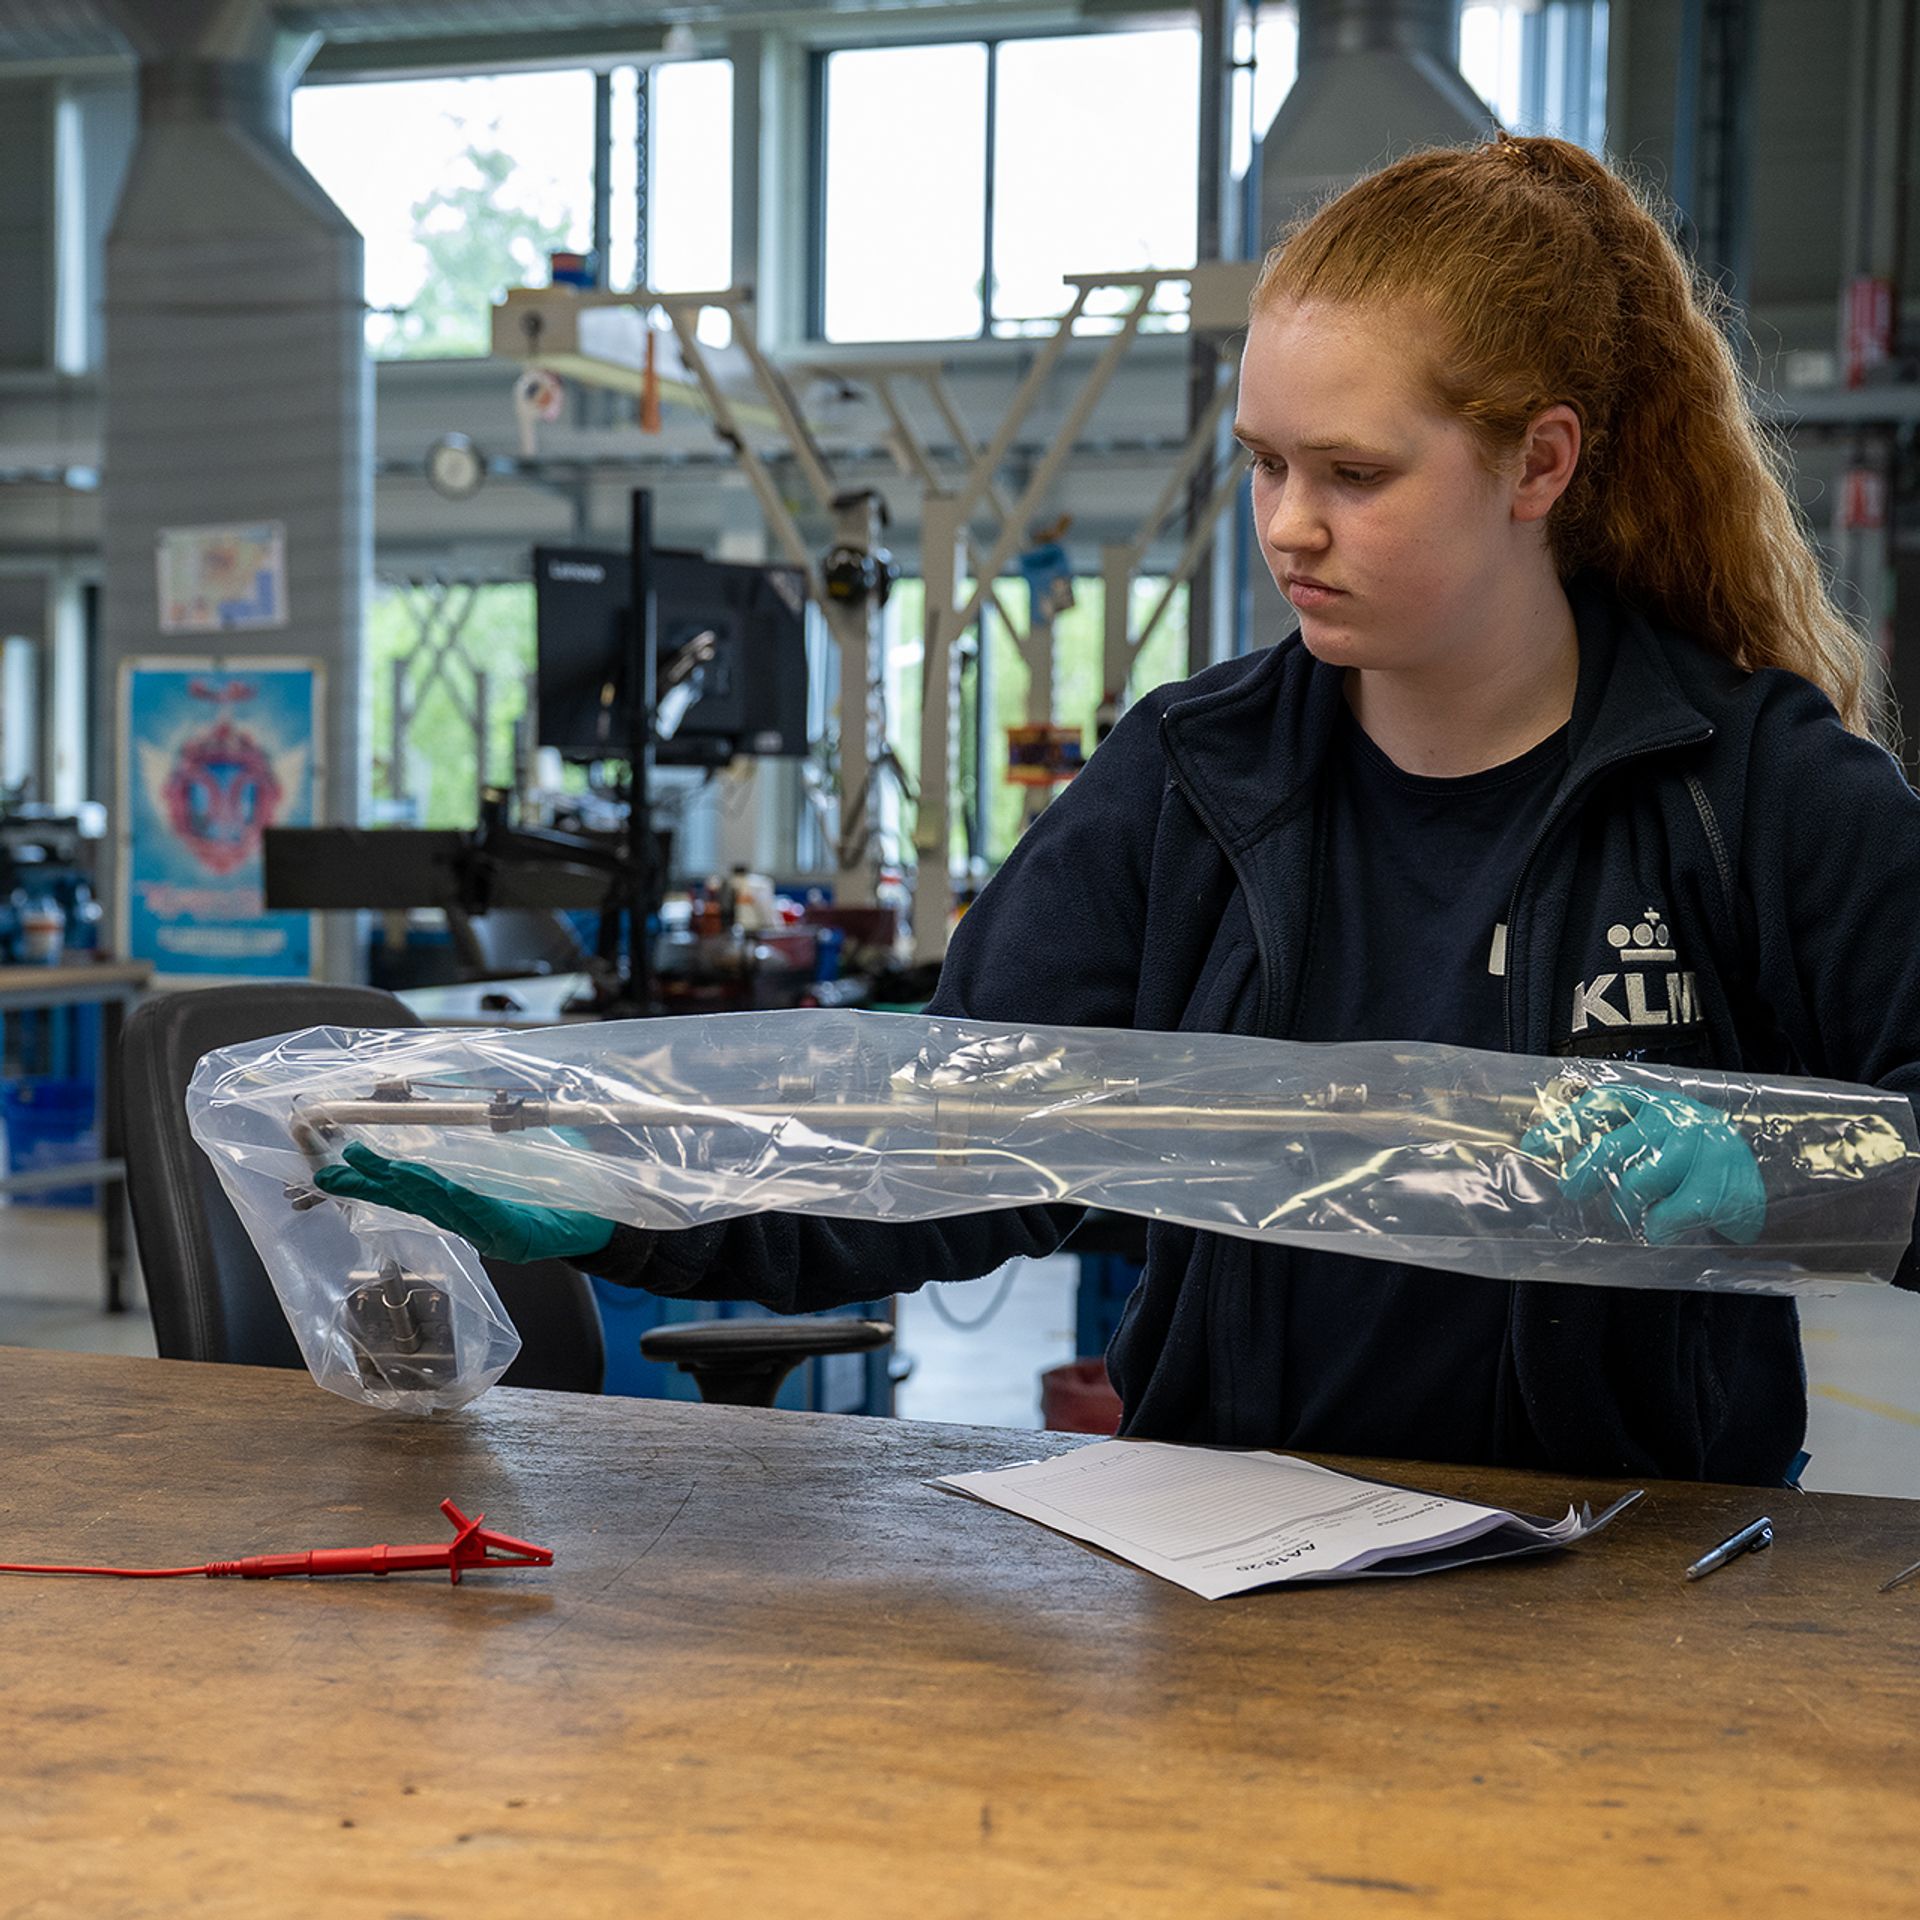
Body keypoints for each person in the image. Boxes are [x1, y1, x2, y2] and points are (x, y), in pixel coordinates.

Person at [321, 133, 1920, 1485]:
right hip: (1236, 1568)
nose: (1292, 528)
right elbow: (935, 1149)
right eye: (1263, 464)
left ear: (1540, 463)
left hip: (1643, 1593)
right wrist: (611, 1191)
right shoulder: (1190, 786)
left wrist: (1787, 1174)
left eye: (1355, 475)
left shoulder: (1749, 797)